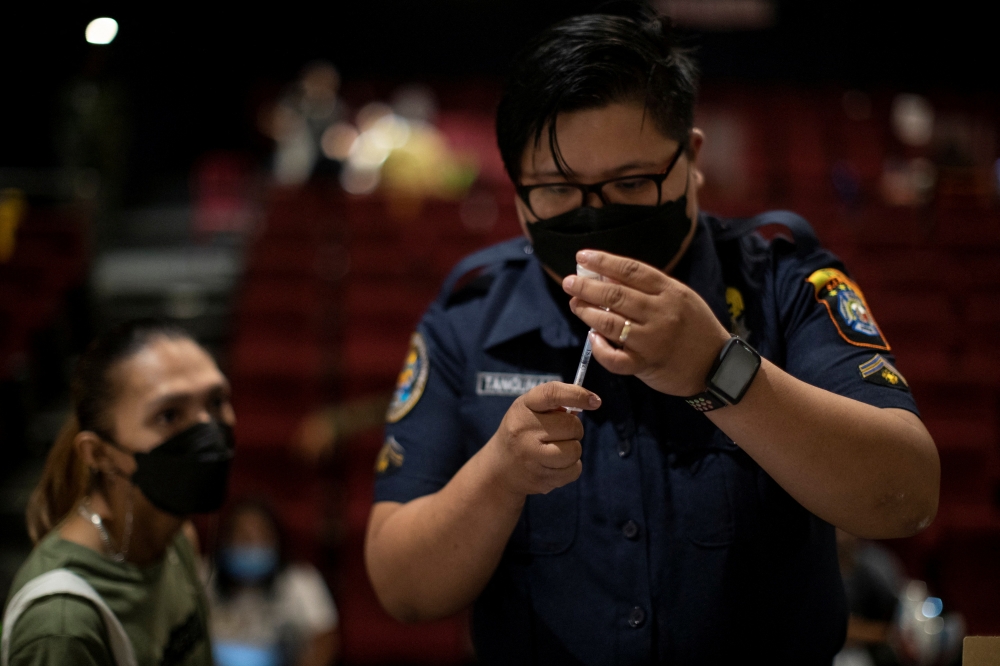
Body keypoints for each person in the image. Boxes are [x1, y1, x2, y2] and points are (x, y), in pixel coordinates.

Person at [363, 7, 940, 665]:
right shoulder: (468, 316)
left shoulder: (787, 285)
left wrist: (719, 369)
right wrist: (498, 476)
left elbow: (907, 497)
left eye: (632, 182)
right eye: (557, 189)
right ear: (518, 193)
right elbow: (402, 588)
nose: (596, 213)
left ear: (690, 159)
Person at [1, 319, 235, 665]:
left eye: (216, 401)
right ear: (100, 454)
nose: (208, 431)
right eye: (169, 415)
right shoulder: (62, 628)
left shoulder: (176, 537)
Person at [207, 498, 339, 666]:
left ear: (276, 539)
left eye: (259, 535)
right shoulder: (202, 578)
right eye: (243, 536)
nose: (251, 545)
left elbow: (325, 640)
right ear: (225, 540)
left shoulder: (301, 581)